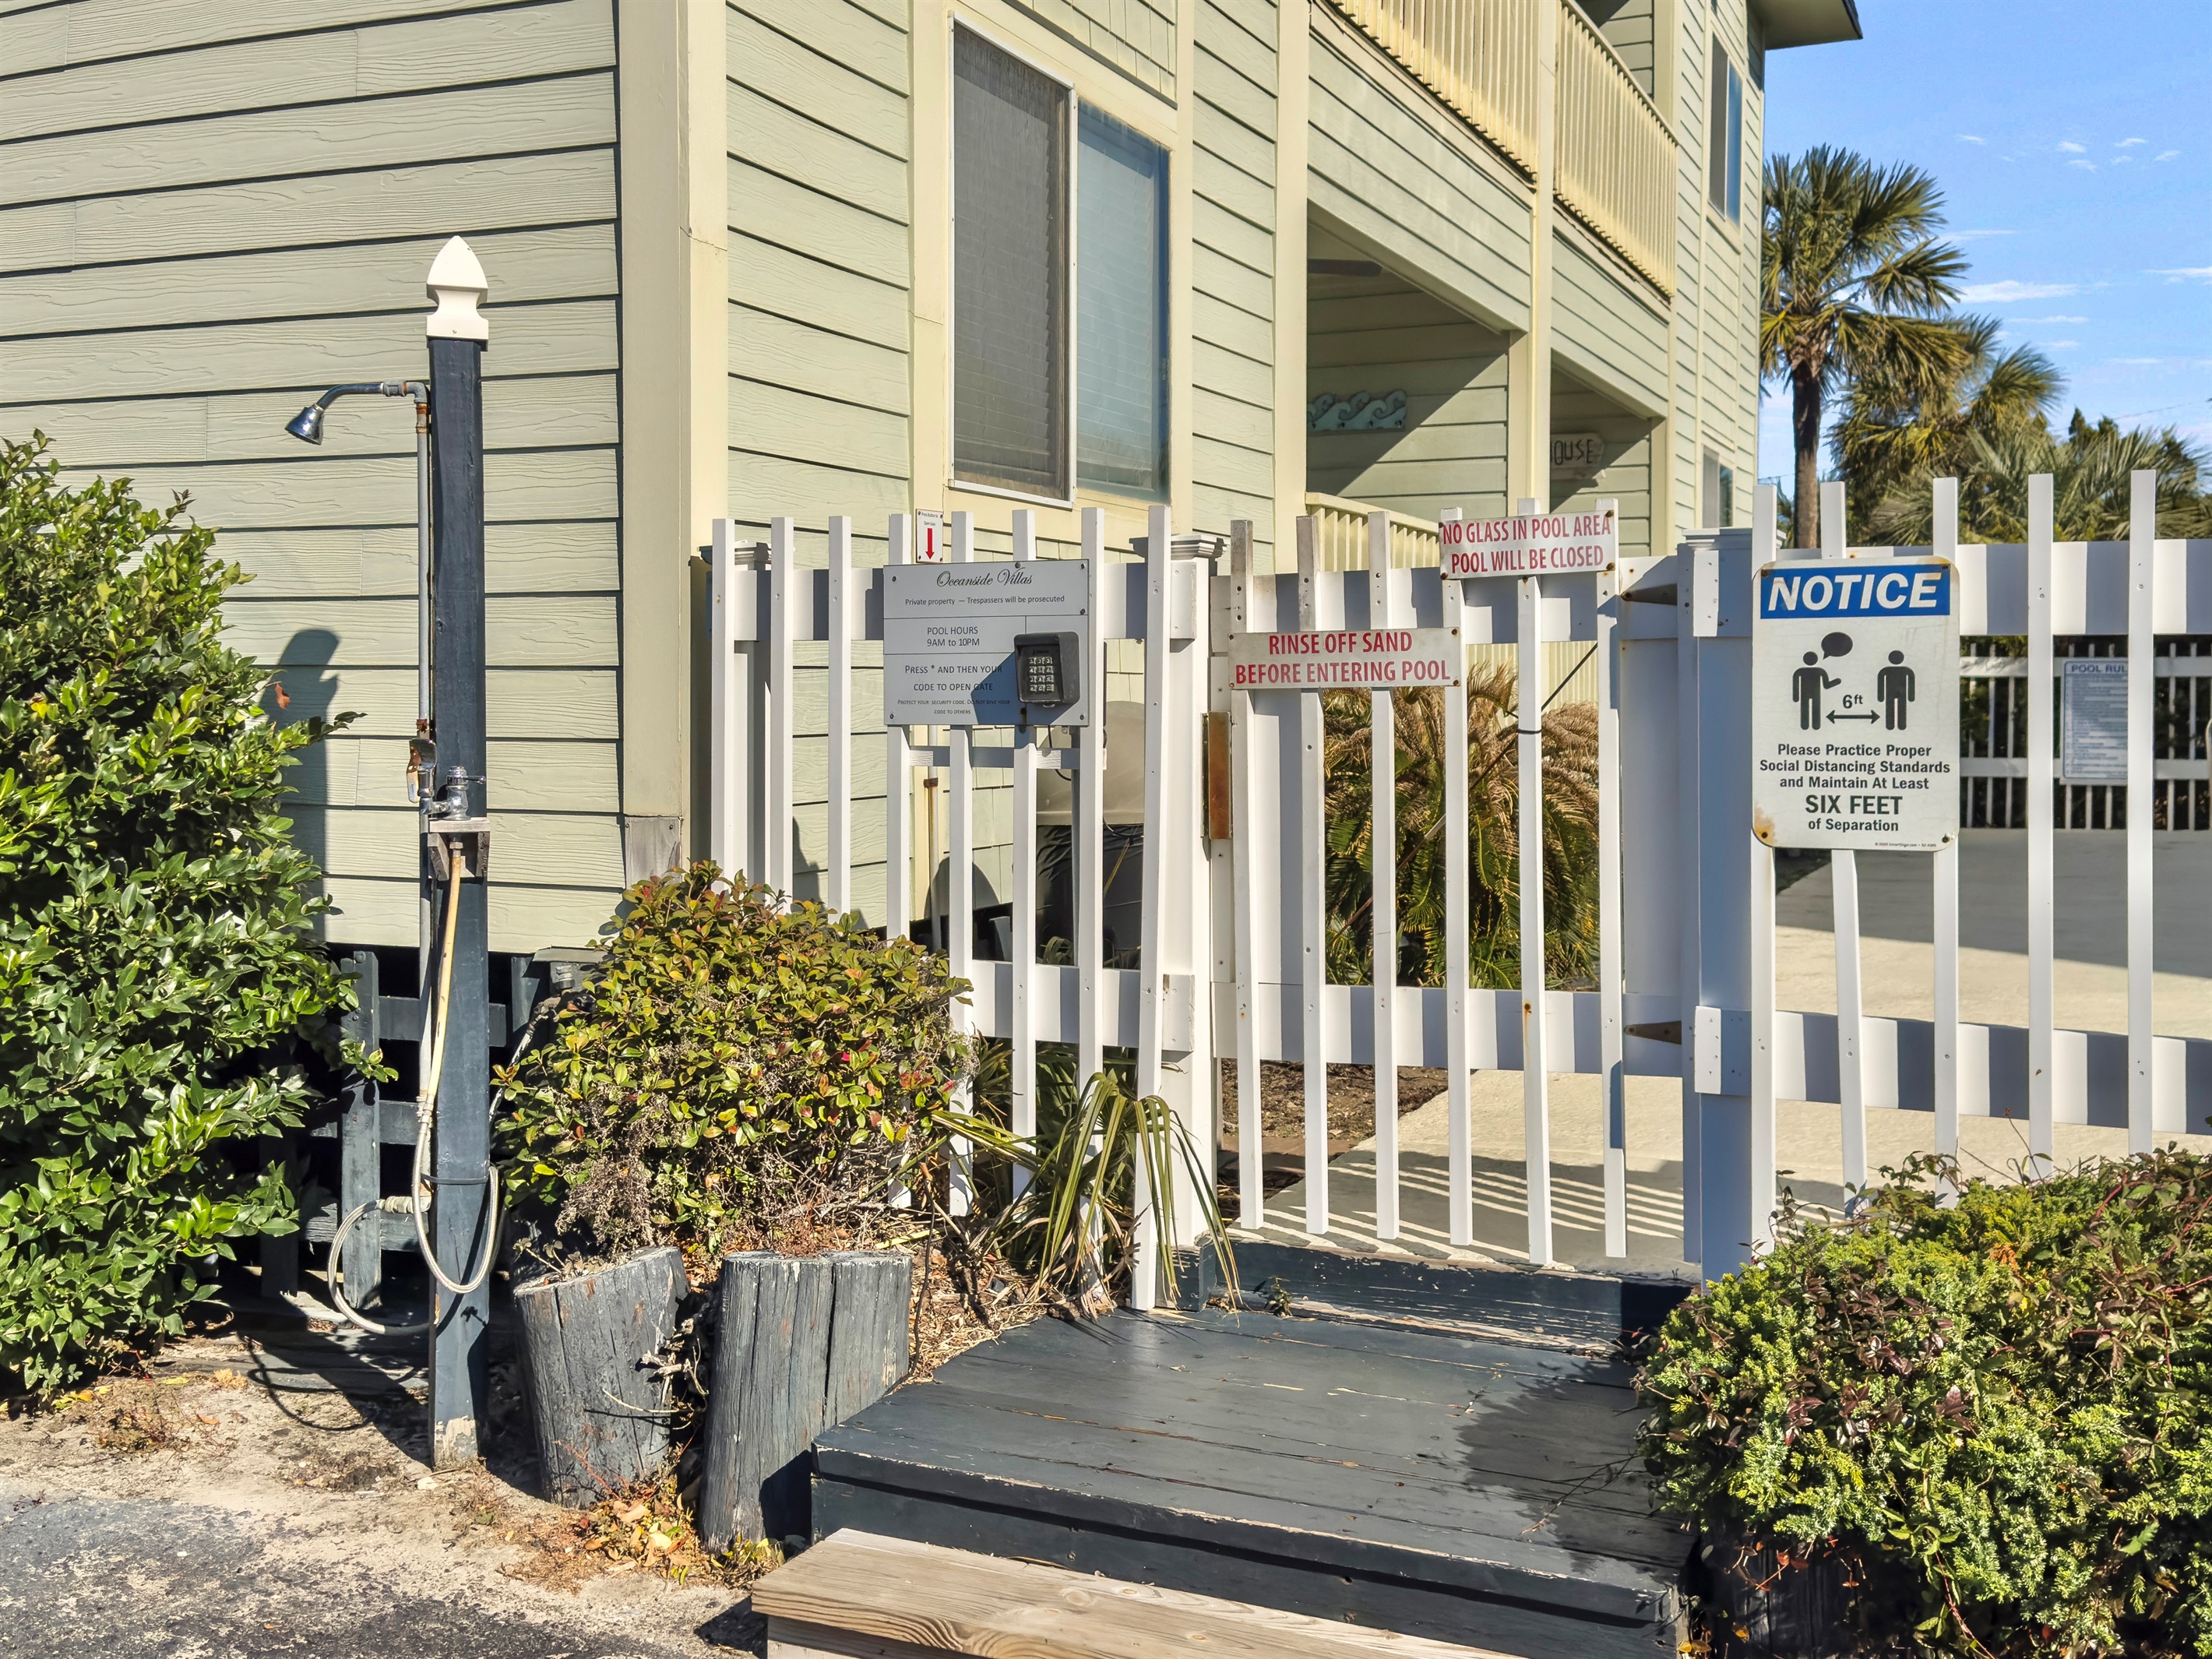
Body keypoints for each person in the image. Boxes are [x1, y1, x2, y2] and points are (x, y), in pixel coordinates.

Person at [1793, 651, 1840, 730]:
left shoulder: (1800, 671)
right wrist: (1836, 682)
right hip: (1815, 695)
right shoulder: (1820, 671)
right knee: (1815, 709)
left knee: (1806, 709)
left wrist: (1796, 697)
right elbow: (1826, 685)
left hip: (1806, 694)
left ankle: (1806, 725)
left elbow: (1795, 683)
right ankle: (1815, 725)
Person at [1876, 650, 1915, 730]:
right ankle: (1897, 725)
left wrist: (1881, 696)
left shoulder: (1887, 670)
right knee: (1896, 708)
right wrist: (1911, 697)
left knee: (1897, 708)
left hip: (1896, 692)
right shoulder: (1904, 670)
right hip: (1896, 693)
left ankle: (1896, 725)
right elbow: (1881, 680)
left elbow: (1911, 680)